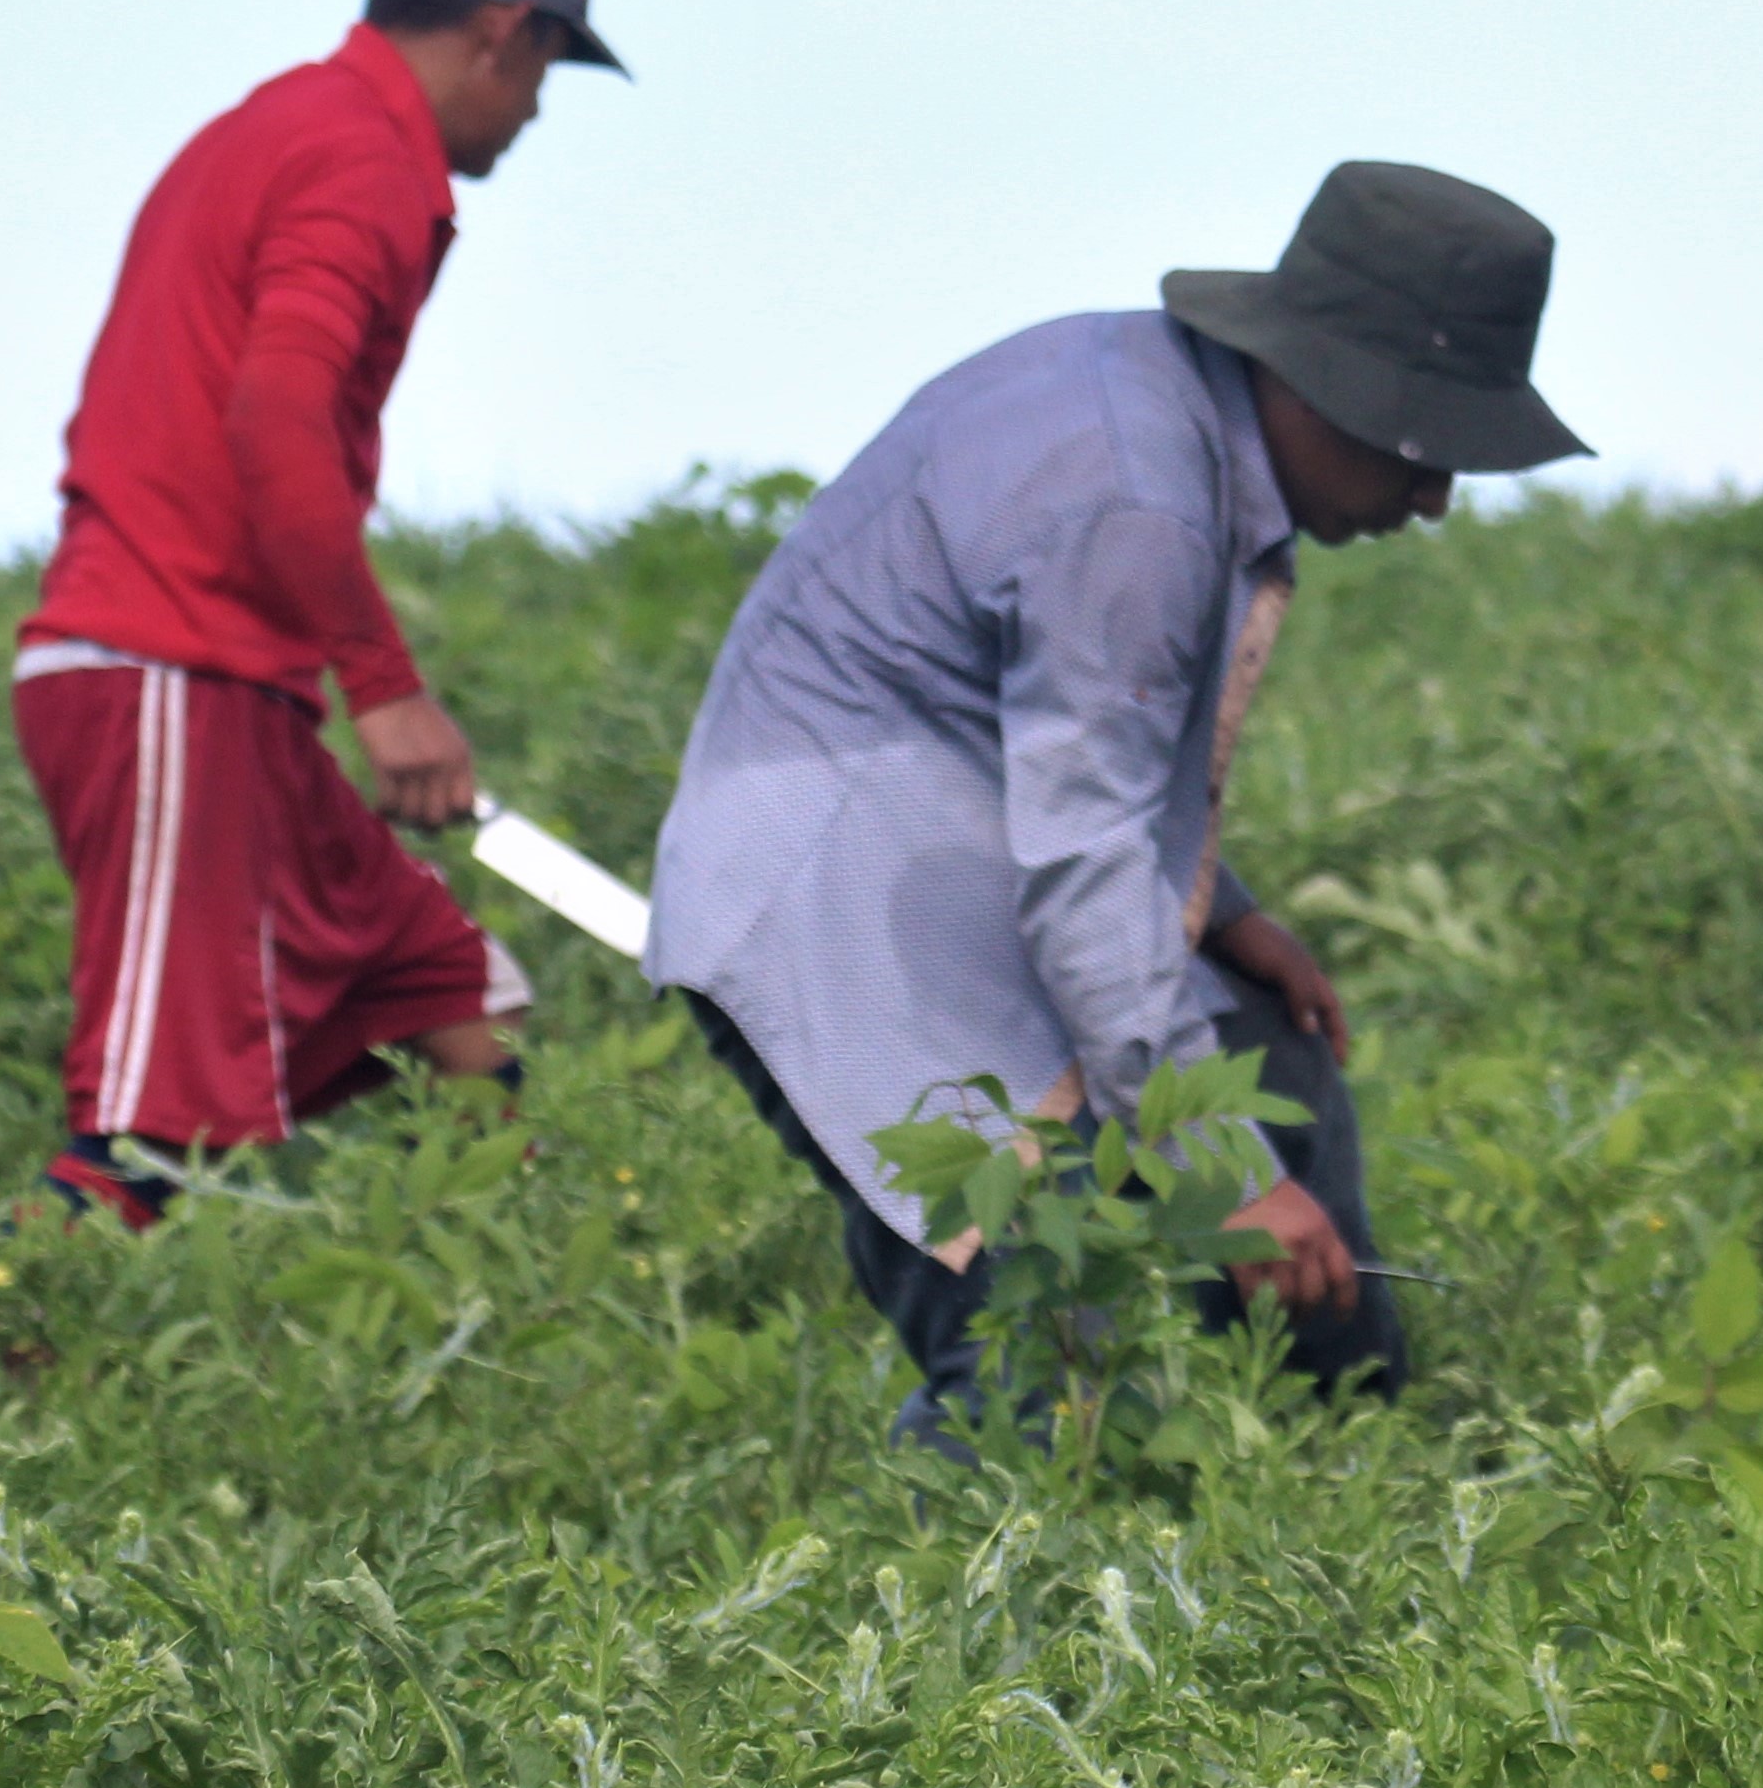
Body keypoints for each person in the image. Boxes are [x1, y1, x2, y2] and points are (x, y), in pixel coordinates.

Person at [645, 162, 1587, 1445]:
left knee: (1269, 1054)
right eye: (1426, 451)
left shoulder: (1159, 411)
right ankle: (969, 1590)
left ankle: (1352, 1456)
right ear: (1326, 391)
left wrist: (1225, 914)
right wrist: (1228, 1185)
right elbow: (1086, 860)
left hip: (942, 848)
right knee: (1046, 1338)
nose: (1433, 501)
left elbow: (1057, 742)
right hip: (840, 902)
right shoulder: (1141, 499)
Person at [10, 0, 629, 1224]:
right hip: (169, 666)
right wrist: (388, 690)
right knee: (147, 1129)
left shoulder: (291, 125)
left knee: (449, 991)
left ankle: (521, 1324)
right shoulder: (357, 156)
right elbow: (279, 425)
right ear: (500, 30)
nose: (531, 114)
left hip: (232, 688)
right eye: (546, 75)